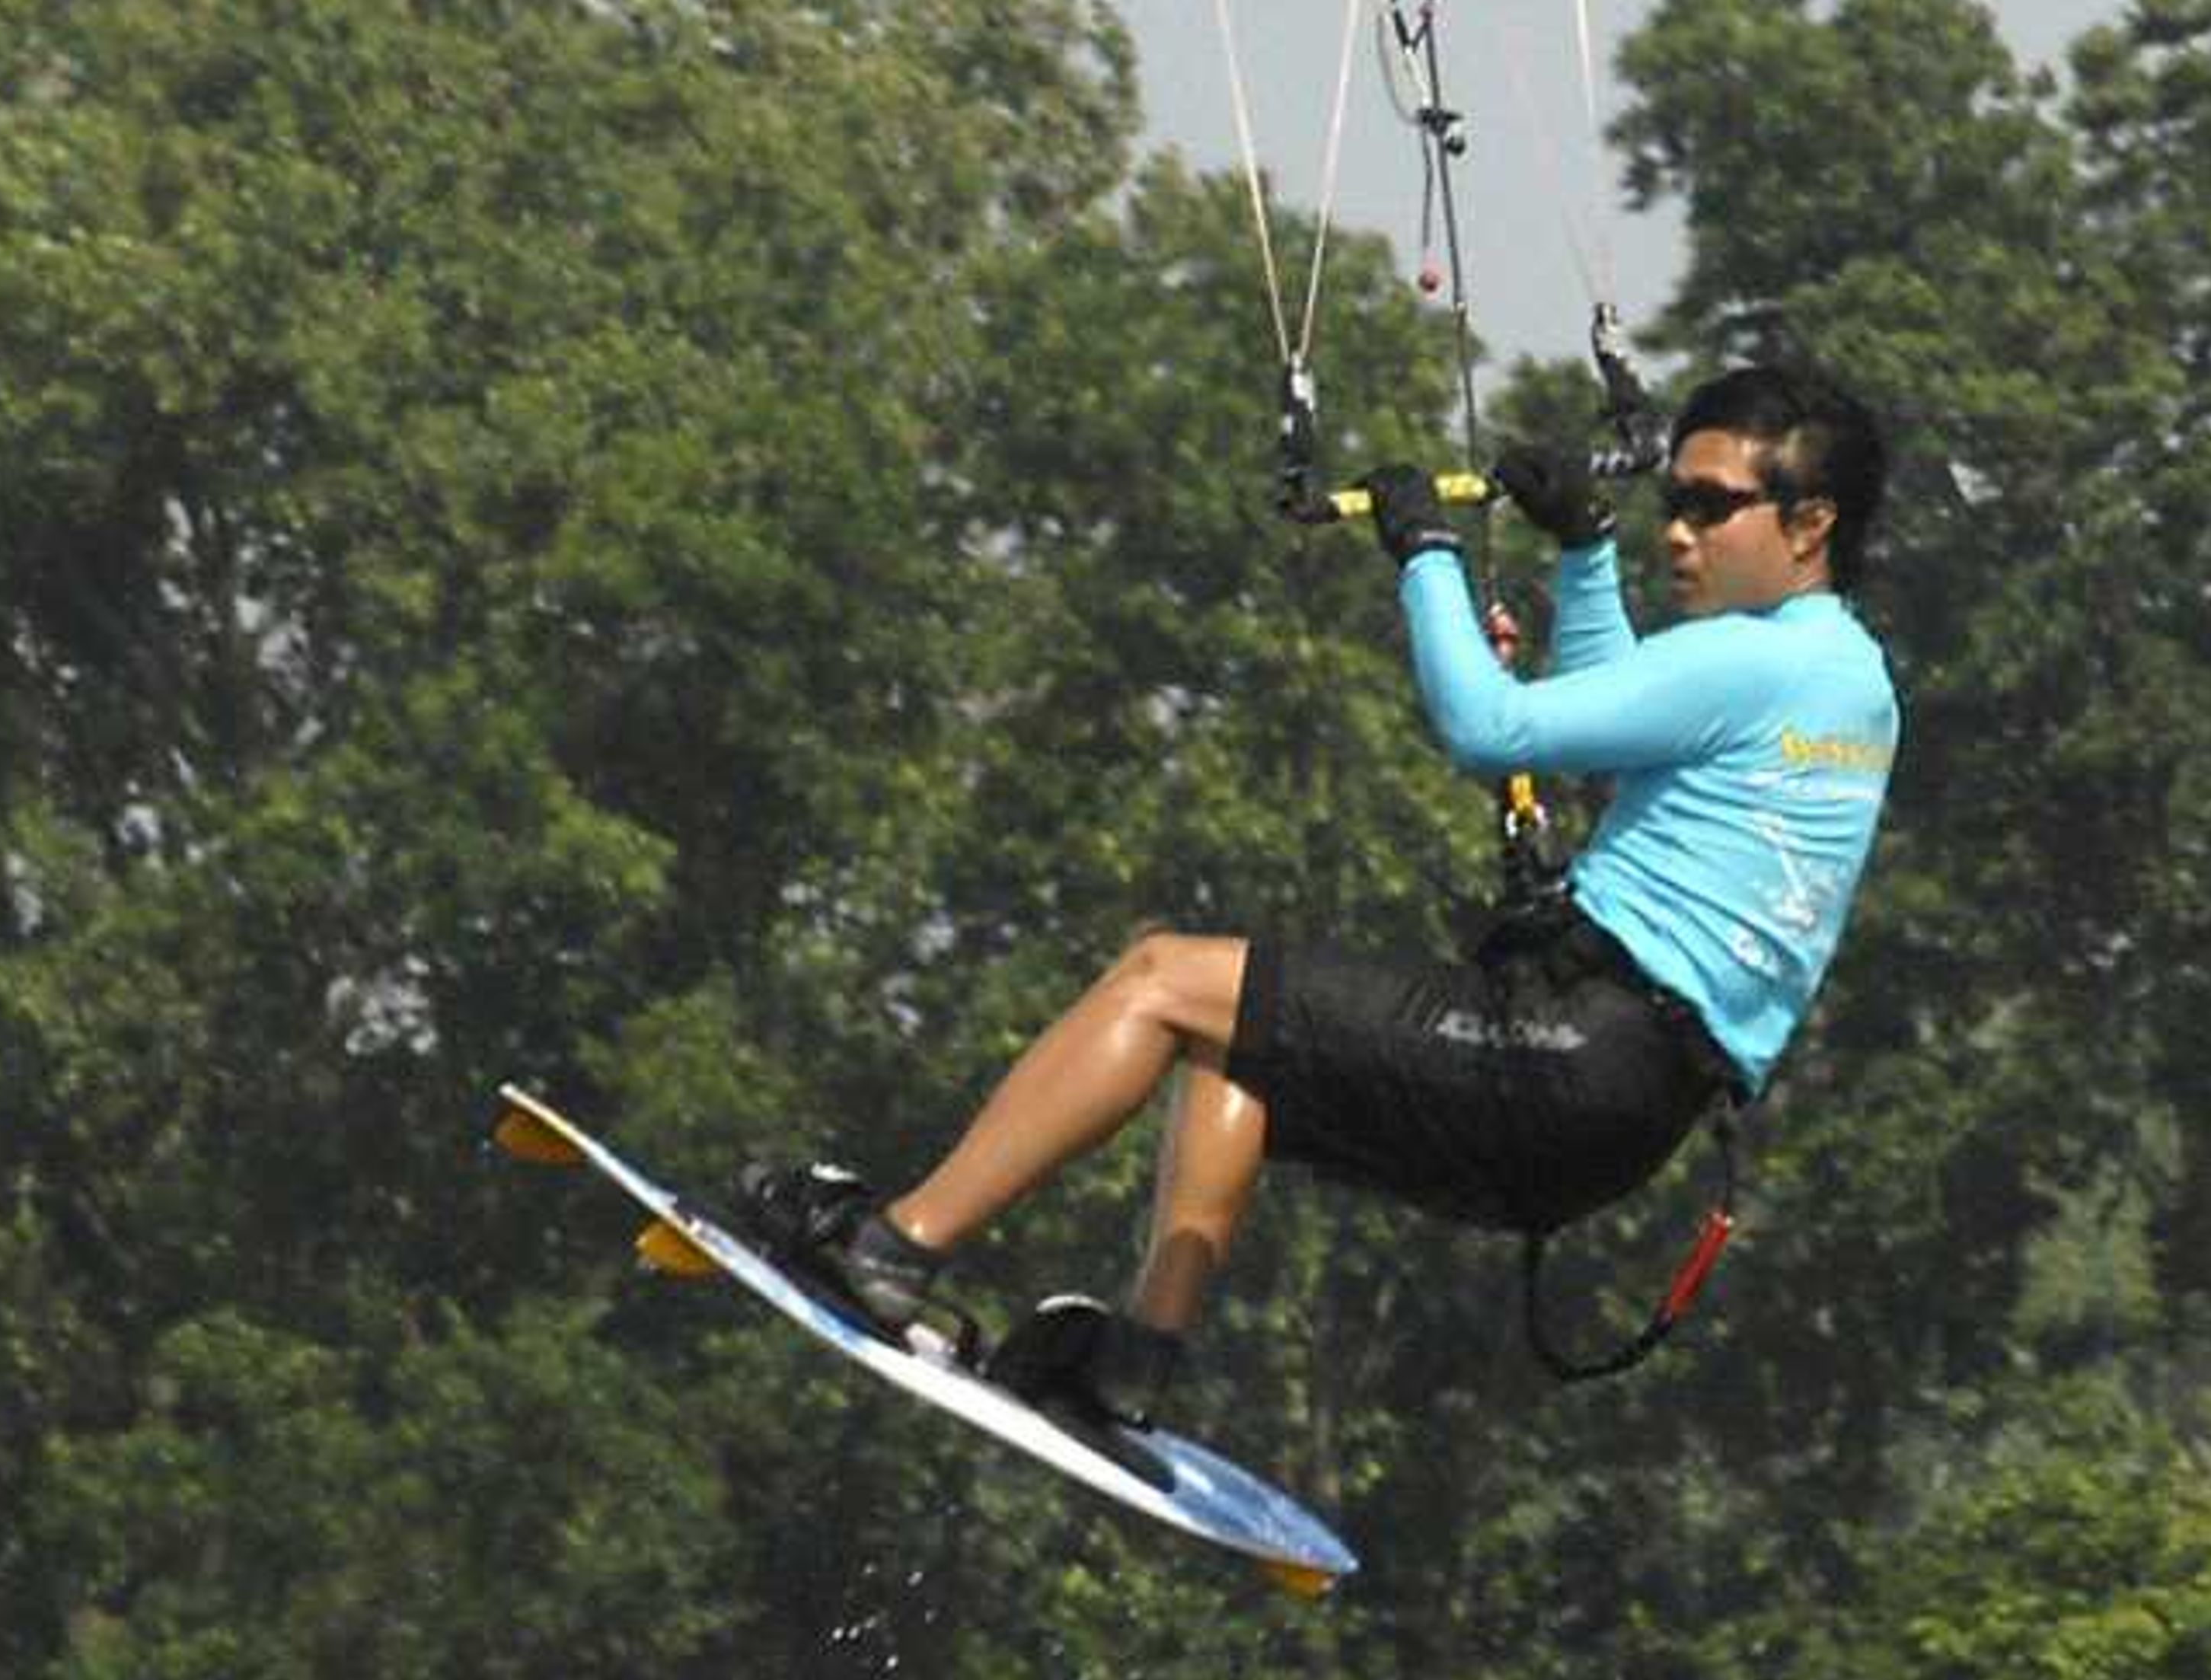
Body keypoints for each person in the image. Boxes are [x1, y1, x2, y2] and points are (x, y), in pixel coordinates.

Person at [739, 361, 1899, 1430]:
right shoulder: (1847, 683)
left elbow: (1492, 731)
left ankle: (895, 1247)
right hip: (1618, 1117)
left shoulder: (1763, 659)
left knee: (1161, 978)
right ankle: (1133, 1365)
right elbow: (1610, 725)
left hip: (1574, 1045)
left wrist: (1427, 555)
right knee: (1243, 1049)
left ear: (1809, 525)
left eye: (1712, 506)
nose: (1681, 531)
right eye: (1671, 504)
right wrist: (1584, 553)